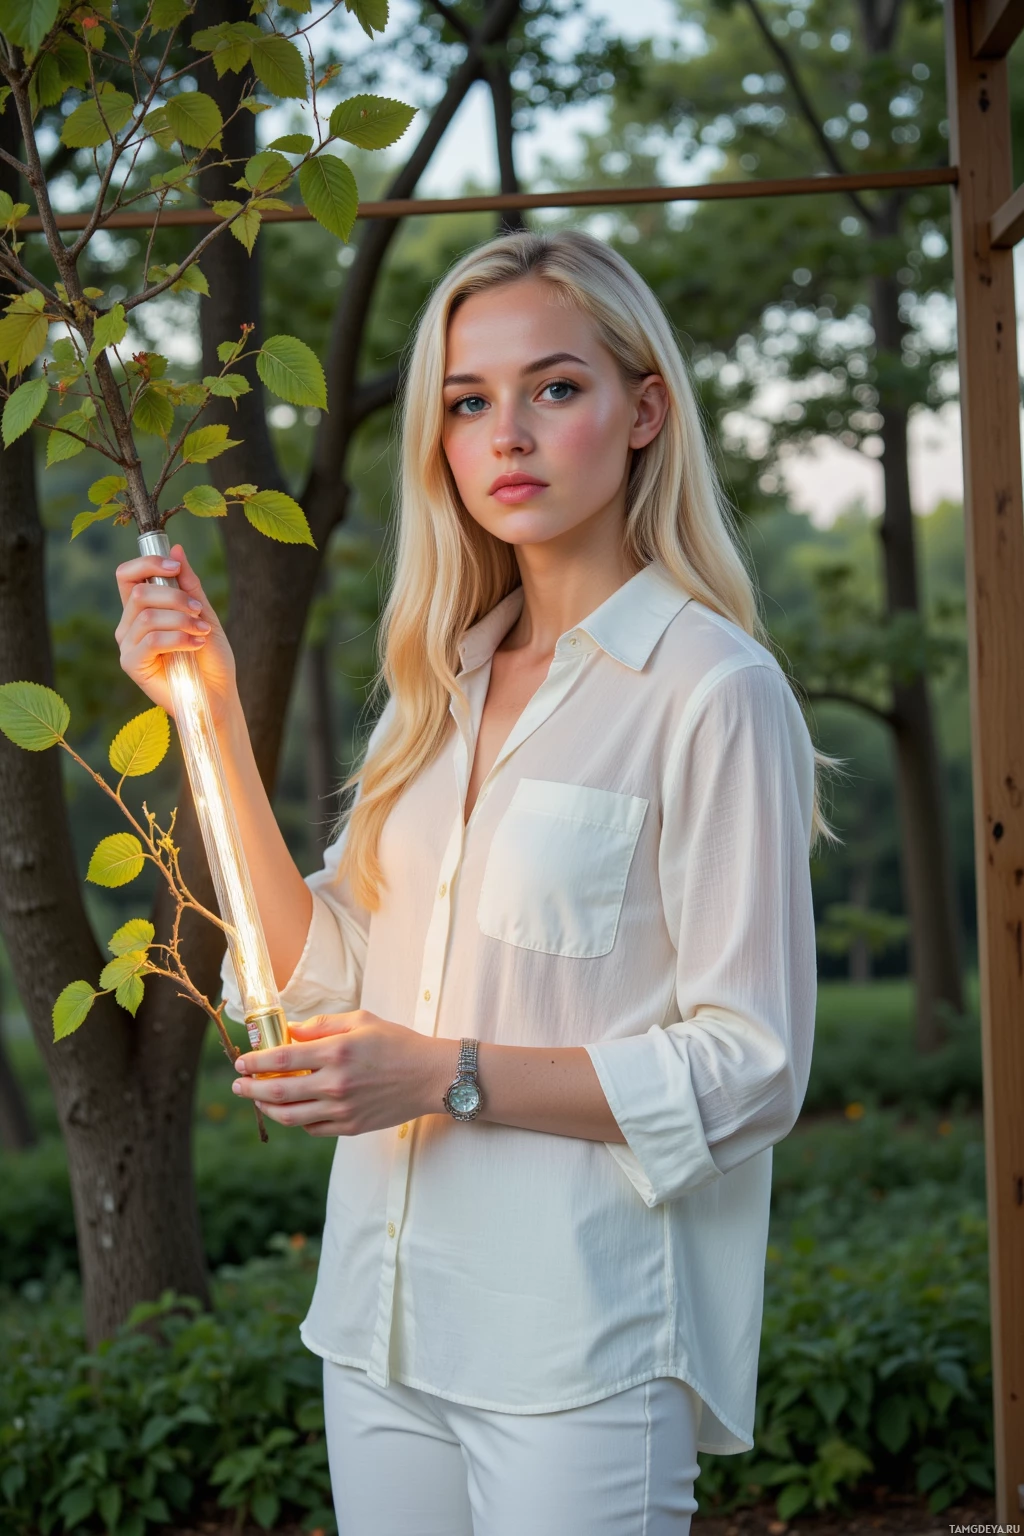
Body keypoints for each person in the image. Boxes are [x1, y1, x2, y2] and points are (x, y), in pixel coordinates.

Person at [114, 228, 831, 1536]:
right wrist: (207, 715)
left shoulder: (713, 692)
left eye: (554, 388)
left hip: (578, 1346)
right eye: (466, 400)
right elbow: (319, 973)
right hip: (377, 1332)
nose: (507, 432)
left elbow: (755, 1065)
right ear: (439, 441)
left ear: (642, 412)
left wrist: (443, 1071)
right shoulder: (432, 694)